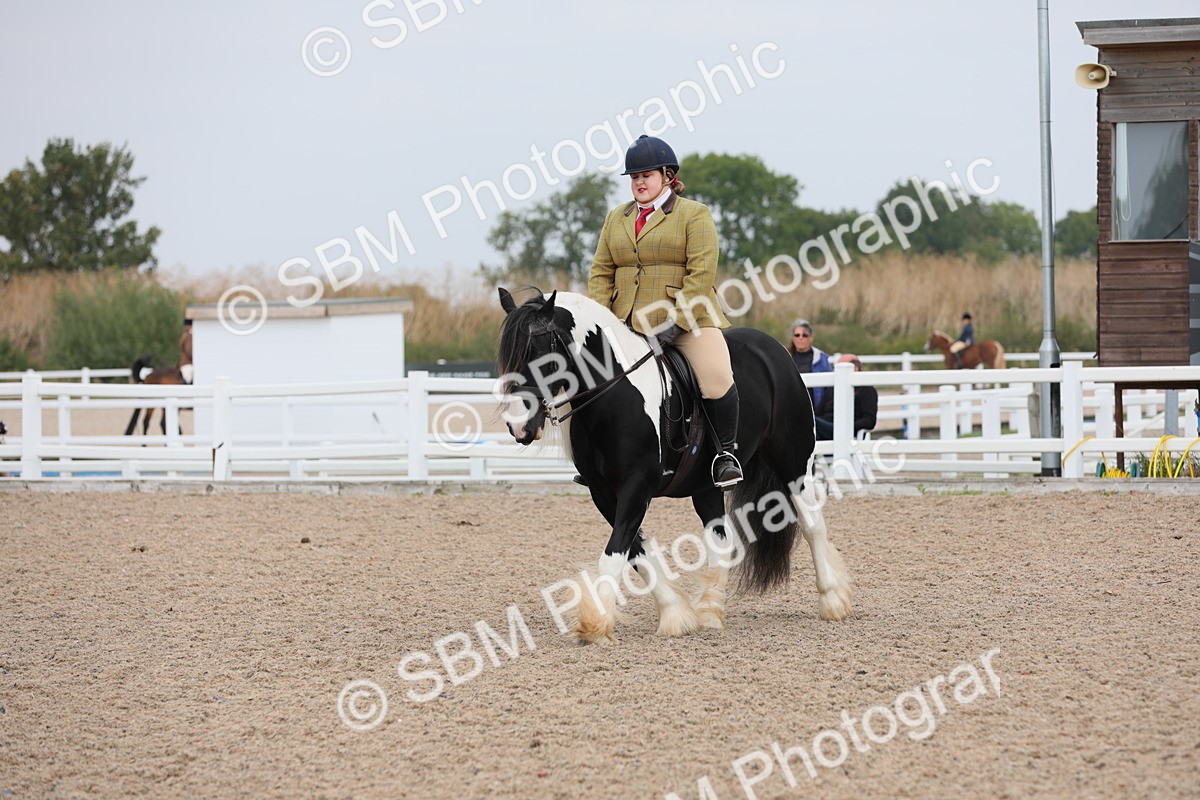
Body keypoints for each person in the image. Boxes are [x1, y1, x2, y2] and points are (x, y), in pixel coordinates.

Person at [587, 134, 741, 489]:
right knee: (595, 380)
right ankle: (598, 455)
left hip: (687, 321)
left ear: (668, 176)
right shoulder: (616, 218)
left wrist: (677, 322)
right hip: (627, 323)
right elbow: (601, 271)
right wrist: (599, 321)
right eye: (634, 177)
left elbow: (702, 271)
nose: (639, 182)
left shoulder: (693, 214)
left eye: (647, 175)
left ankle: (726, 454)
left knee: (716, 374)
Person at [813, 354, 878, 441]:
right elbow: (819, 412)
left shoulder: (866, 389)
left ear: (855, 368)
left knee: (809, 421)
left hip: (846, 430)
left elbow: (869, 421)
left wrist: (847, 427)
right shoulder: (832, 388)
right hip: (826, 427)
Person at [787, 319, 832, 410]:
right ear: (793, 338)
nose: (800, 338)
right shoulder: (785, 358)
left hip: (816, 409)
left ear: (811, 338)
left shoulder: (821, 359)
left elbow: (829, 389)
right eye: (797, 335)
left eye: (804, 335)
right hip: (790, 407)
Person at [179, 318, 193, 384]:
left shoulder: (187, 335)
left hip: (187, 364)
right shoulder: (189, 336)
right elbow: (189, 351)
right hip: (188, 364)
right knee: (187, 382)